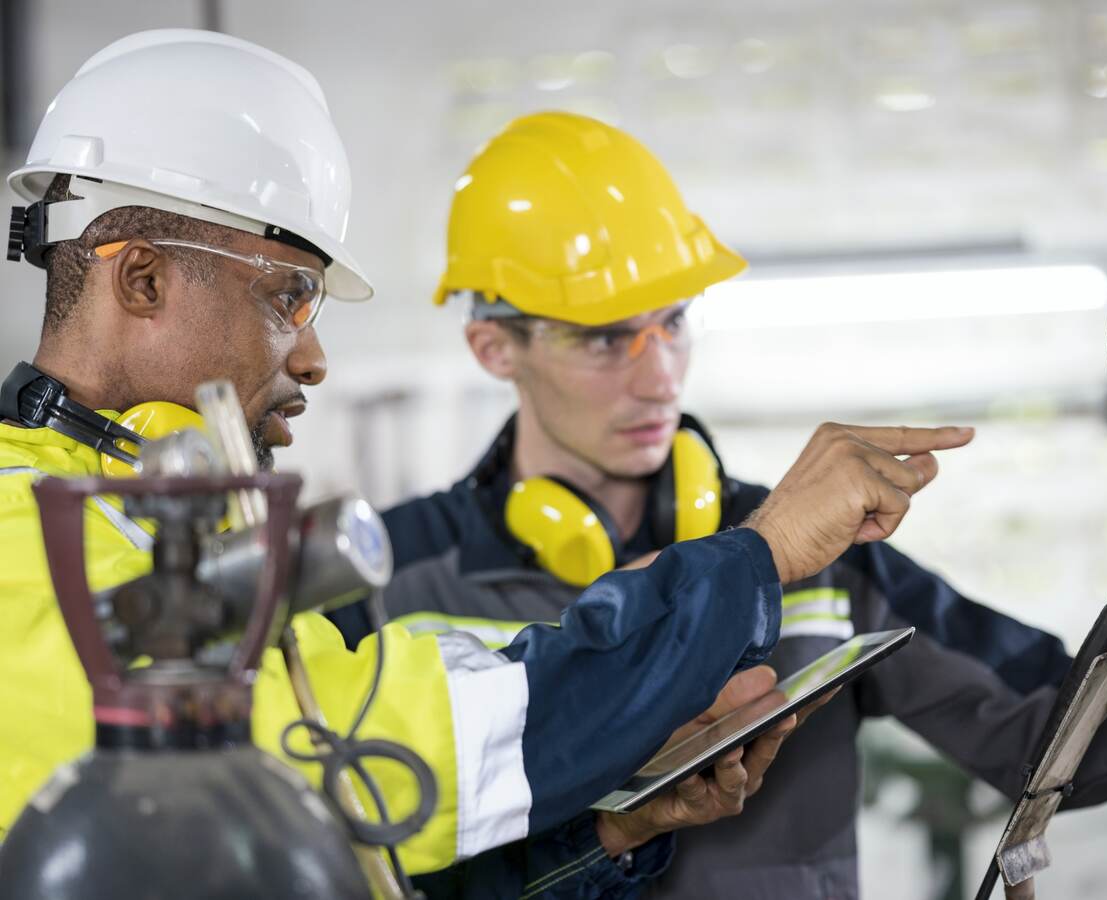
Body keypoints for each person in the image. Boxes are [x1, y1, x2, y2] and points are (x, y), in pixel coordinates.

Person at [0, 29, 967, 896]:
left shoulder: (131, 522)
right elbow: (393, 751)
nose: (313, 357)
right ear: (142, 277)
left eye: (671, 326)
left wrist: (608, 832)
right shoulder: (21, 540)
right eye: (289, 298)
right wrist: (757, 557)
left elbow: (358, 858)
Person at [334, 111, 1107, 899]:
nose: (658, 372)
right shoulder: (386, 584)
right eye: (603, 338)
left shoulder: (825, 553)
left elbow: (1052, 733)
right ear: (494, 347)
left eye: (671, 321)